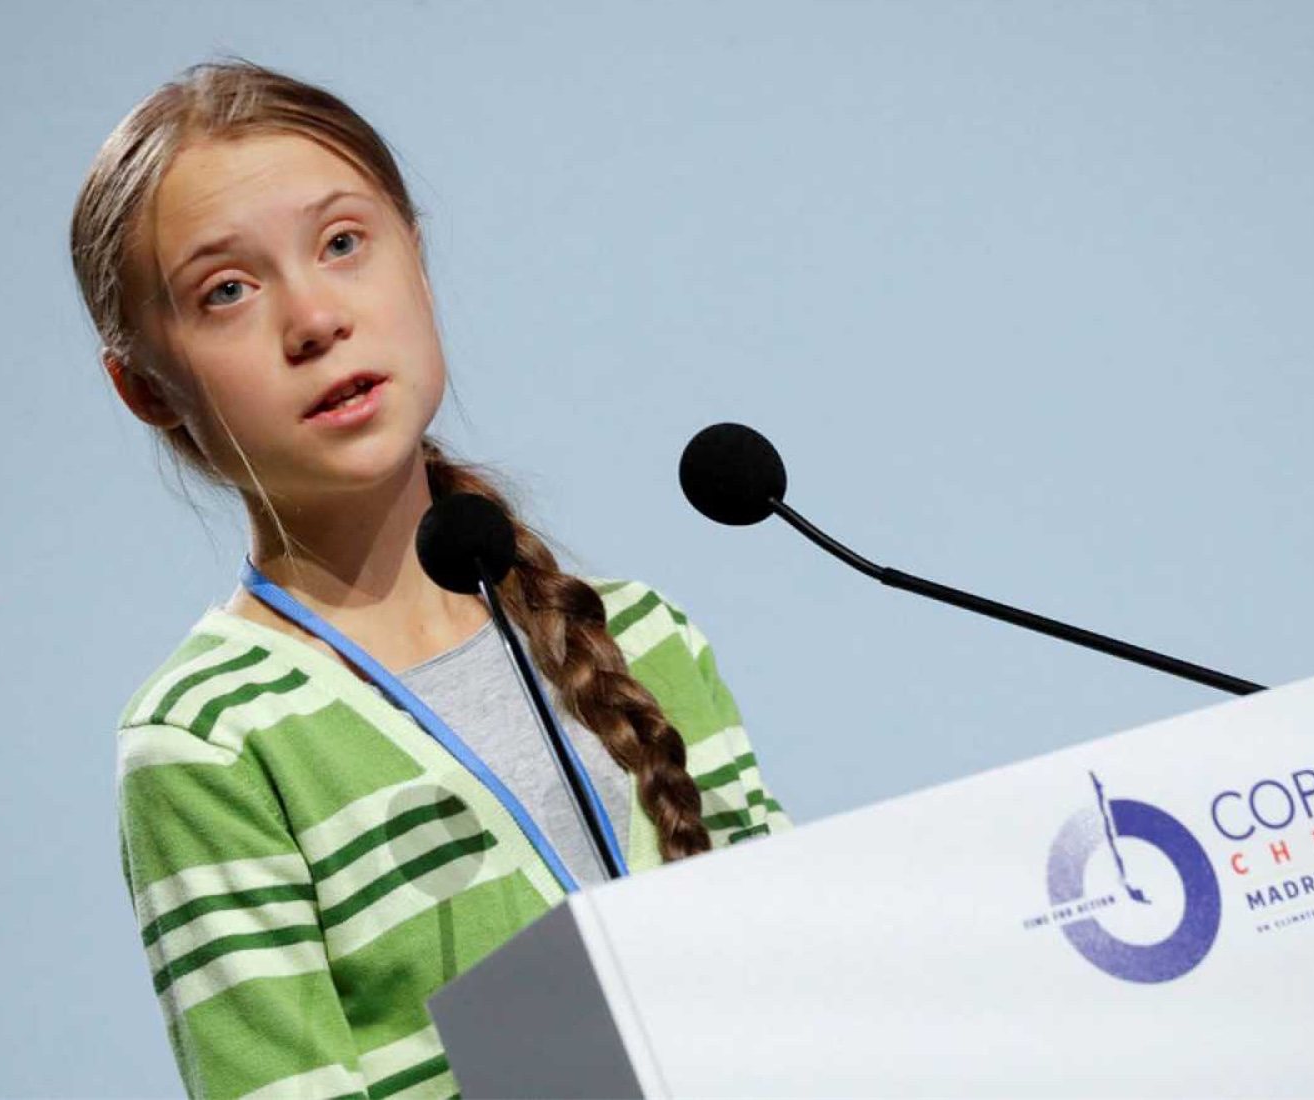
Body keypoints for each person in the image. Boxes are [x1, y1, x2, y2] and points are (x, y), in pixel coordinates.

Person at [69, 58, 793, 1099]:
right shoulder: (209, 736)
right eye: (226, 290)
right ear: (146, 386)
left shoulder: (643, 634)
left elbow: (807, 993)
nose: (313, 318)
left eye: (342, 243)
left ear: (416, 257)